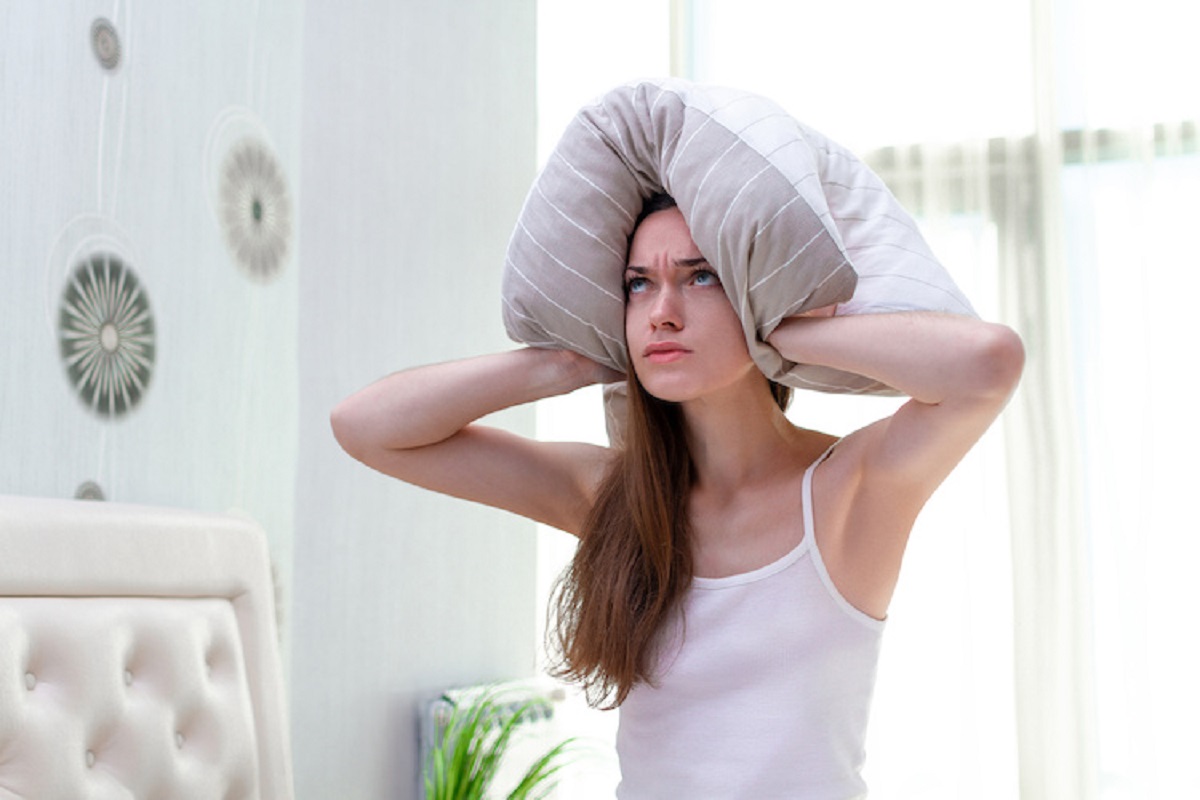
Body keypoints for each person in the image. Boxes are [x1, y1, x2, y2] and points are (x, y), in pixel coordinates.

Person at [330, 194, 1025, 798]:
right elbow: (366, 428)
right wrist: (564, 360)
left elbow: (989, 363)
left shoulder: (849, 491)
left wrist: (777, 325)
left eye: (700, 277)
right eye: (638, 284)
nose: (662, 311)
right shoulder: (613, 497)